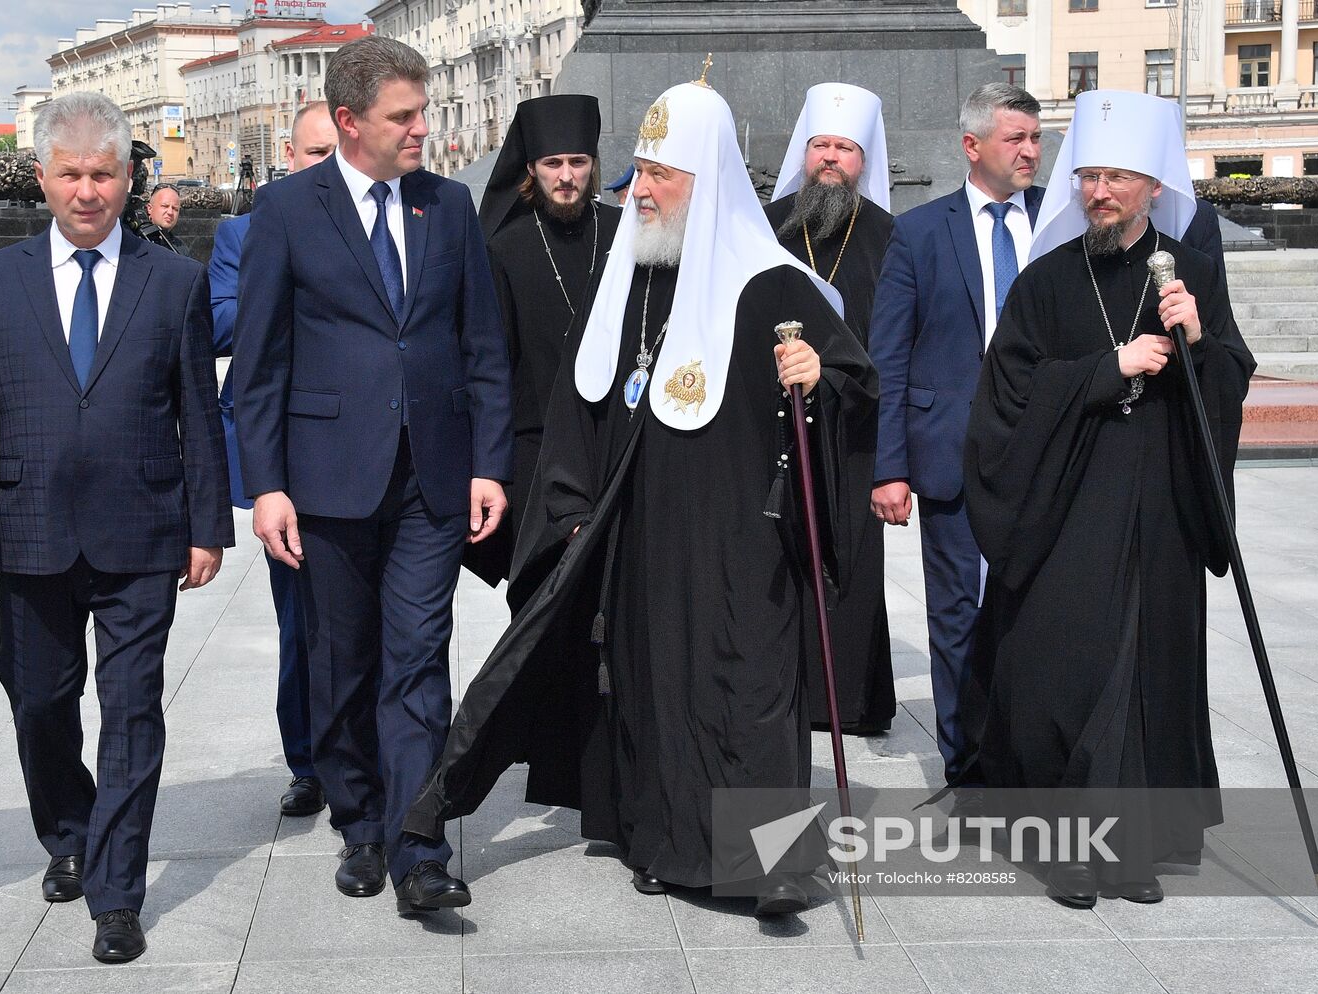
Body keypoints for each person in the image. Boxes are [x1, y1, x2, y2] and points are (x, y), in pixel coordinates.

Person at [403, 76, 878, 917]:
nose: (642, 189)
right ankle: (659, 842)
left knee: (749, 695)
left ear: (709, 180)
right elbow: (578, 408)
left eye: (663, 174)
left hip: (745, 545)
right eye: (641, 169)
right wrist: (572, 510)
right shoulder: (634, 275)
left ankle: (766, 868)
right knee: (654, 693)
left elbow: (851, 380)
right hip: (644, 538)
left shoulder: (775, 283)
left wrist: (821, 379)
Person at [233, 36, 512, 915]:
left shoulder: (449, 206)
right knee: (342, 662)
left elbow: (483, 348)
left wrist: (489, 465)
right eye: (406, 116)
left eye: (423, 112)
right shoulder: (284, 212)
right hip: (326, 481)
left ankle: (417, 839)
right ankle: (358, 821)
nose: (424, 129)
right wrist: (267, 485)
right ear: (350, 122)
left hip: (432, 478)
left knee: (419, 659)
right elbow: (259, 363)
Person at [964, 90, 1255, 906]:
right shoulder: (1048, 282)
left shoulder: (1190, 273)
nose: (1100, 192)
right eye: (1089, 176)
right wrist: (1105, 371)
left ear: (1154, 186)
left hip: (1159, 505)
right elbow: (1006, 400)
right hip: (1069, 509)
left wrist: (1200, 339)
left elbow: (1231, 375)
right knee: (1069, 672)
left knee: (1148, 671)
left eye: (1119, 177)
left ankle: (1132, 850)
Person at [0, 92, 233, 963]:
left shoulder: (175, 282)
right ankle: (69, 832)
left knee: (131, 709)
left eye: (104, 174)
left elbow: (199, 406)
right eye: (71, 174)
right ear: (43, 178)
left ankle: (117, 889)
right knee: (39, 702)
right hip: (32, 529)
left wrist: (207, 526)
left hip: (143, 530)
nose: (87, 191)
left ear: (128, 178)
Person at [868, 83, 1044, 787]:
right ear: (972, 146)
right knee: (955, 614)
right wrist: (889, 467)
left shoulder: (1057, 224)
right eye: (1016, 139)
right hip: (950, 454)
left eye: (1036, 138)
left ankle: (1030, 751)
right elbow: (890, 356)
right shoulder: (918, 233)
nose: (1031, 151)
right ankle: (966, 763)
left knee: (1039, 610)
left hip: (1046, 452)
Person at [208, 100, 337, 819]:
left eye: (333, 152)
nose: (324, 166)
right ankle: (309, 761)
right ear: (291, 159)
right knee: (301, 621)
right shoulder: (243, 231)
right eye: (312, 154)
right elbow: (222, 322)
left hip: (368, 450)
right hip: (288, 460)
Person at [767, 82, 896, 735]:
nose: (830, 158)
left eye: (844, 147)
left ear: (862, 159)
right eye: (821, 144)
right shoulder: (764, 226)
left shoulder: (890, 237)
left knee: (850, 567)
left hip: (854, 430)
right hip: (769, 426)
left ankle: (843, 701)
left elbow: (898, 345)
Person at [473, 94, 622, 594]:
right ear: (531, 168)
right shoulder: (504, 247)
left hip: (615, 442)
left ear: (593, 166)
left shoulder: (624, 234)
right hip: (536, 456)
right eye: (552, 163)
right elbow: (492, 364)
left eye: (577, 163)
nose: (565, 176)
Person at [141, 183, 193, 257]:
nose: (170, 212)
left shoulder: (180, 248)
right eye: (165, 206)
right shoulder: (137, 242)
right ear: (149, 208)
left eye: (175, 209)